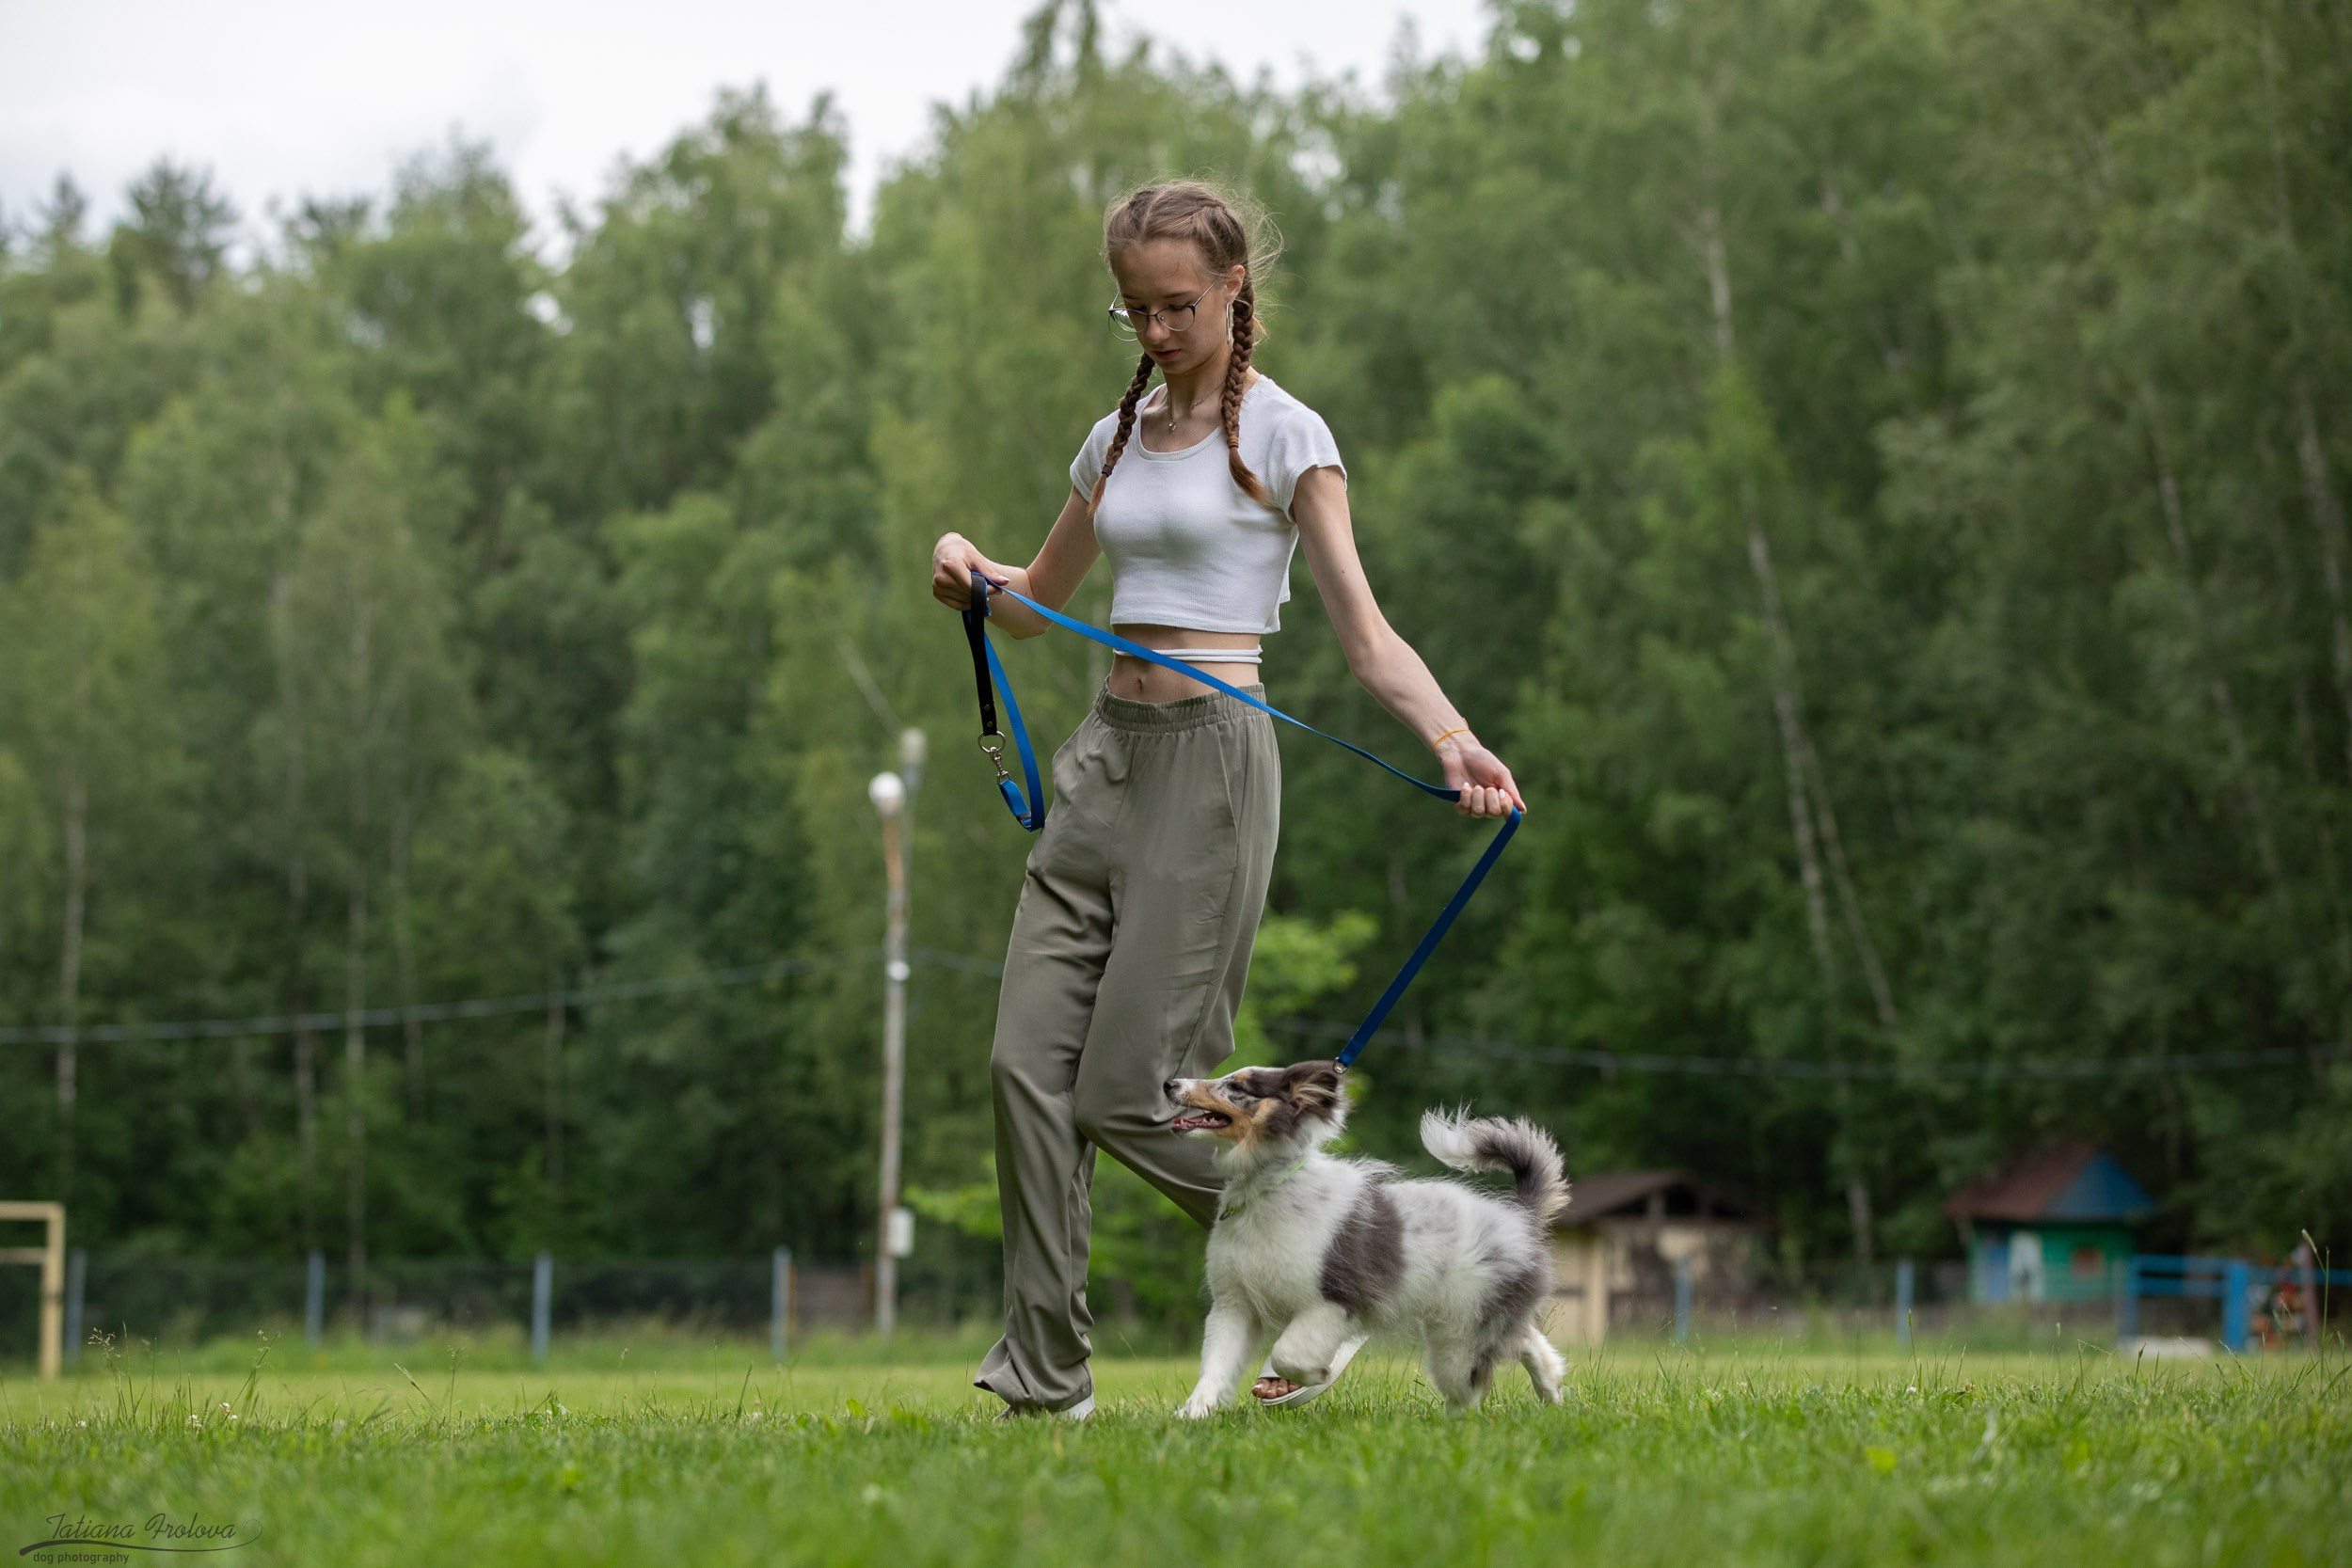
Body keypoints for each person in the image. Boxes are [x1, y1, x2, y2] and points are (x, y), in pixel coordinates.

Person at [929, 179, 1526, 1418]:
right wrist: (969, 573)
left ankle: (1357, 1261)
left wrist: (1455, 735)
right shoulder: (1117, 439)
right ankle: (1045, 1380)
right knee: (1023, 1071)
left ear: (1235, 287)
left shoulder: (1289, 439)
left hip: (1212, 770)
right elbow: (1037, 598)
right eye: (1134, 309)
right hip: (1103, 764)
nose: (1155, 332)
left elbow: (1366, 635)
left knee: (1131, 1095)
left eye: (1178, 306)